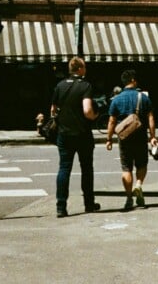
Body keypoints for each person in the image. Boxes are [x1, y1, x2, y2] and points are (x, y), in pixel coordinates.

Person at [51, 56, 100, 218]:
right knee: (86, 168)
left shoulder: (60, 86)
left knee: (64, 168)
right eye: (84, 67)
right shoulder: (85, 86)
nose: (85, 70)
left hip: (64, 134)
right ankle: (89, 203)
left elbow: (53, 110)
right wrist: (93, 116)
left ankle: (61, 206)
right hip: (82, 133)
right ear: (79, 69)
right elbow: (87, 110)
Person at [106, 69, 158, 211]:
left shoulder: (116, 100)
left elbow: (112, 121)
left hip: (124, 138)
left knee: (126, 167)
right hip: (140, 136)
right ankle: (139, 184)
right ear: (133, 81)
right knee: (141, 164)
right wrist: (152, 137)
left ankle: (129, 198)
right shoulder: (144, 97)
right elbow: (151, 118)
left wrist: (109, 138)